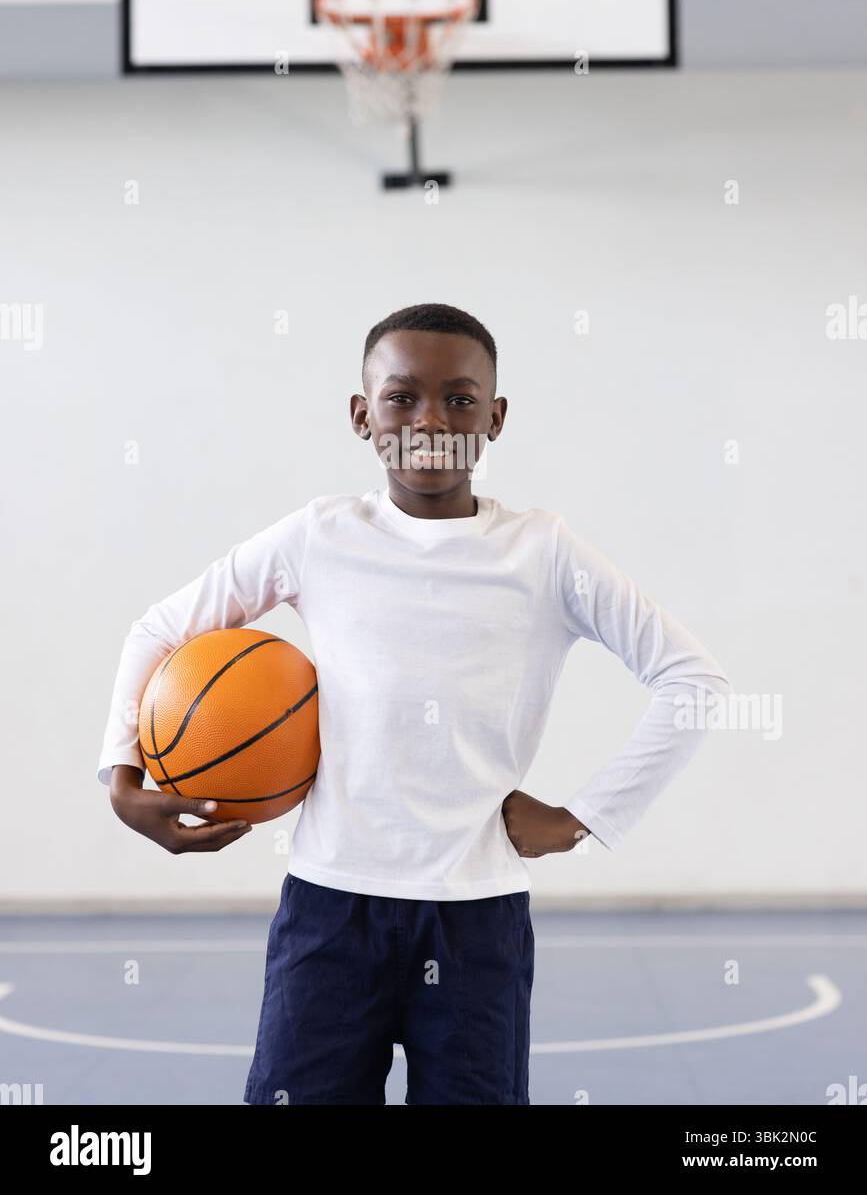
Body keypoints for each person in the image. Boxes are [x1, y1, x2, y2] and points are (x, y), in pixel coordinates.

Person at [99, 301, 732, 1105]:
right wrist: (123, 779)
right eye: (400, 397)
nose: (429, 418)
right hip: (329, 909)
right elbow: (157, 628)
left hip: (476, 919)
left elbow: (692, 679)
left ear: (495, 418)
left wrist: (585, 818)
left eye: (459, 399)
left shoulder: (541, 551)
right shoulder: (316, 537)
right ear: (362, 416)